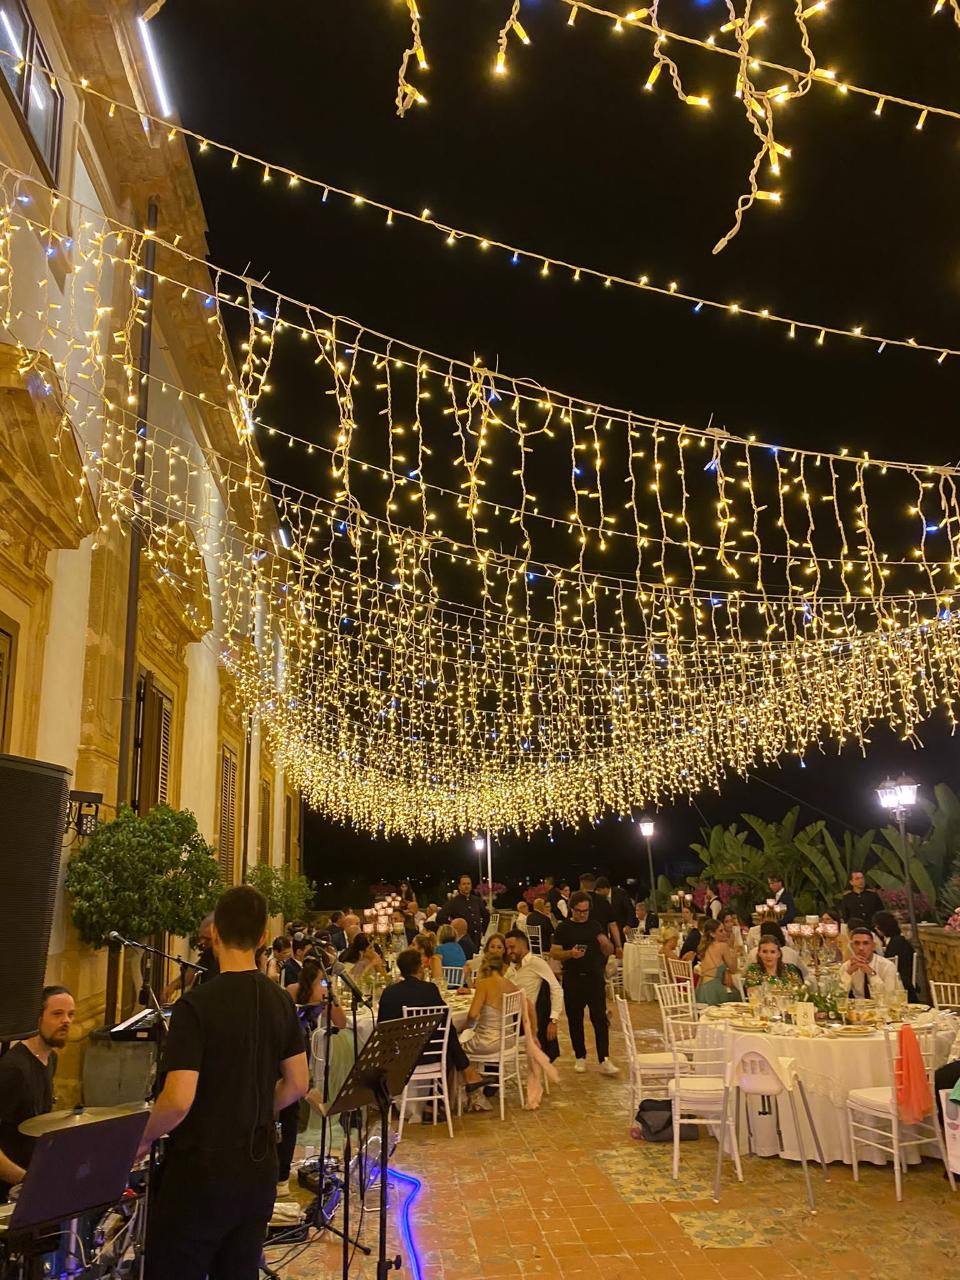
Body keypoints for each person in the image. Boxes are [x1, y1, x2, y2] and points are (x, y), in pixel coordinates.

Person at [141, 886, 308, 1280]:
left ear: (214, 933)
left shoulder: (195, 1005)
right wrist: (260, 1108)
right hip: (257, 1170)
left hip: (201, 1174)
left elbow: (179, 1100)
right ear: (264, 937)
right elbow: (298, 1083)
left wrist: (144, 1137)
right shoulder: (280, 1000)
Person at [375, 948, 491, 1111]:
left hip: (400, 1055)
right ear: (420, 968)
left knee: (446, 1029)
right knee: (447, 1031)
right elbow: (443, 1020)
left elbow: (382, 1028)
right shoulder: (429, 989)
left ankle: (444, 1096)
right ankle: (443, 1097)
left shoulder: (389, 992)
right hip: (429, 1056)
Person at [0, 986, 75, 1202]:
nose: (66, 1021)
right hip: (11, 1185)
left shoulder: (50, 1059)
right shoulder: (14, 1069)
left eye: (71, 1014)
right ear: (37, 1018)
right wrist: (28, 1180)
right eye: (57, 1014)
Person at [551, 891, 618, 1075]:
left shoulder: (595, 925)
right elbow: (555, 952)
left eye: (585, 911)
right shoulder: (564, 928)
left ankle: (604, 1058)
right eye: (579, 911)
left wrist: (607, 945)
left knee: (600, 1019)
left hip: (594, 978)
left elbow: (608, 949)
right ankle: (580, 1056)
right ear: (572, 909)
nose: (582, 914)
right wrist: (569, 954)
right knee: (575, 1020)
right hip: (572, 978)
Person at [504, 929, 563, 1062]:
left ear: (523, 945)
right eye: (507, 948)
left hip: (527, 1021)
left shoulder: (536, 963)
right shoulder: (512, 967)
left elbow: (556, 989)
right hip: (511, 1018)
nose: (509, 951)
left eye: (512, 947)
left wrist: (553, 1020)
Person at [839, 925, 900, 999]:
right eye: (857, 943)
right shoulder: (847, 966)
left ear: (873, 946)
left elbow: (888, 996)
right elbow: (839, 995)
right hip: (859, 1008)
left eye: (865, 943)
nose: (861, 948)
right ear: (851, 946)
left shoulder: (887, 966)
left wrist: (871, 973)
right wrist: (848, 973)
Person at [872, 911, 918, 1002]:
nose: (875, 928)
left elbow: (889, 964)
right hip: (905, 978)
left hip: (899, 982)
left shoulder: (896, 943)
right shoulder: (899, 940)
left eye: (877, 926)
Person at [694, 918, 739, 1006]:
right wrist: (734, 953)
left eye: (724, 930)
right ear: (712, 934)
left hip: (701, 988)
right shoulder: (723, 946)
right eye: (721, 931)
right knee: (737, 995)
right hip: (714, 989)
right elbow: (733, 969)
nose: (724, 933)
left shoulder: (704, 947)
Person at [435, 874, 489, 947]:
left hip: (477, 939)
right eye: (464, 884)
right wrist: (454, 927)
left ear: (471, 886)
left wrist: (482, 930)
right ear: (459, 886)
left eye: (468, 884)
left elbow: (486, 916)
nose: (466, 886)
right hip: (462, 940)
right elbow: (440, 917)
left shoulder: (477, 900)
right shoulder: (453, 902)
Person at [743, 936, 807, 996]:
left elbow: (800, 992)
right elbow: (751, 993)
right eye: (764, 951)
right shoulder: (754, 969)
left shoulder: (790, 969)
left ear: (778, 954)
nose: (768, 956)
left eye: (772, 952)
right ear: (759, 953)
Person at [592, 877, 624, 956]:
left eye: (599, 890)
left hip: (620, 929)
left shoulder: (620, 893)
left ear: (605, 888)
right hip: (604, 937)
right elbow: (612, 924)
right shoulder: (600, 901)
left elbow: (628, 910)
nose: (597, 893)